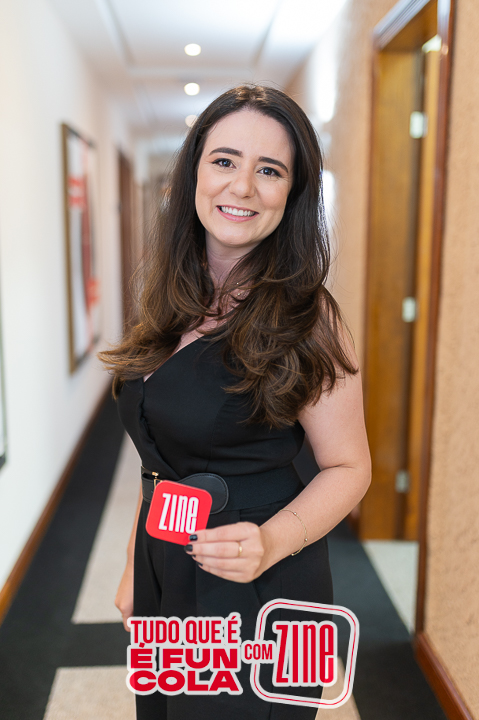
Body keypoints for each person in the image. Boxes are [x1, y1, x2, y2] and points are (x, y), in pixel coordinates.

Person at [99, 84, 371, 720]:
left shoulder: (310, 319)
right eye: (224, 160)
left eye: (270, 170)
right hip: (170, 553)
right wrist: (138, 561)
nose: (242, 186)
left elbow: (349, 468)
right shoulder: (170, 295)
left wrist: (271, 543)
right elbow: (163, 459)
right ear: (194, 172)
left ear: (292, 194)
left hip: (260, 578)